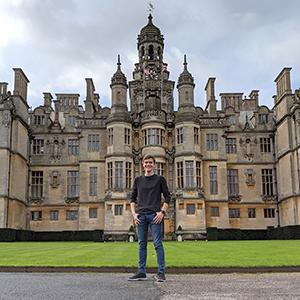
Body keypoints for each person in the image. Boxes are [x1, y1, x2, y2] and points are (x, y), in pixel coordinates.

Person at [128, 154, 171, 282]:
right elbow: (132, 199)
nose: (148, 165)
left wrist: (162, 212)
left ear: (154, 164)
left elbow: (168, 197)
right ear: (142, 164)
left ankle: (161, 273)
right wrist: (134, 214)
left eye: (150, 163)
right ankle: (141, 272)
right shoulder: (138, 180)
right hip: (141, 216)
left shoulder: (160, 179)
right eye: (146, 162)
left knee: (157, 243)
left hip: (154, 216)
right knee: (142, 244)